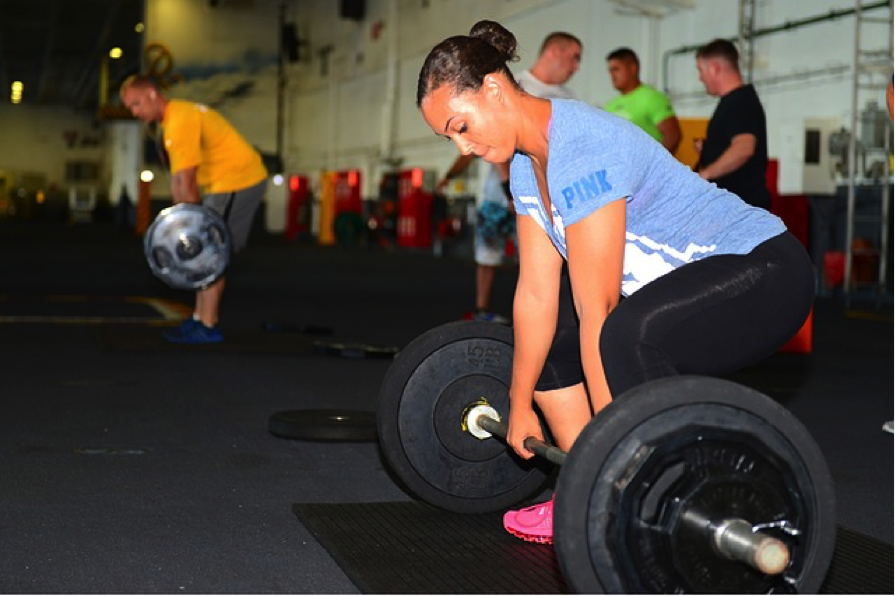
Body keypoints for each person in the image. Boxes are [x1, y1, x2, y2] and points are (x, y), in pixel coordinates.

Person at [417, 21, 815, 544]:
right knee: (554, 347)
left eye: (460, 125)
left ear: (493, 87)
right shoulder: (521, 166)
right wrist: (518, 405)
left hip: (765, 270)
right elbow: (536, 293)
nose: (461, 147)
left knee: (624, 336)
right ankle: (586, 491)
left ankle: (652, 491)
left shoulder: (582, 146)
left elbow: (598, 307)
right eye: (449, 136)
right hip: (690, 287)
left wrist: (614, 450)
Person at [436, 32, 582, 323]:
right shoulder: (515, 87)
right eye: (574, 57)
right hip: (499, 193)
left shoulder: (569, 99)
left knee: (538, 260)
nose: (577, 66)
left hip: (547, 194)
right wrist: (508, 190)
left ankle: (543, 319)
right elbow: (490, 143)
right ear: (553, 51)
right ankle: (481, 310)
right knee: (488, 253)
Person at [121, 75, 268, 344]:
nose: (135, 112)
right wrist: (180, 226)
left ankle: (208, 325)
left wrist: (187, 230)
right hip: (221, 183)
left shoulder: (180, 121)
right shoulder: (174, 121)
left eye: (137, 104)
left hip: (239, 179)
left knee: (210, 251)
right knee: (201, 249)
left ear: (153, 94)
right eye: (131, 108)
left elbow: (187, 181)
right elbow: (178, 181)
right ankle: (199, 319)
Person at [694, 39, 771, 210]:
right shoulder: (734, 102)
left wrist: (706, 174)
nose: (700, 78)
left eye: (700, 70)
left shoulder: (740, 102)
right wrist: (710, 148)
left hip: (741, 209)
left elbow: (744, 148)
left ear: (714, 67)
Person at [604, 47, 681, 154]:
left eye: (616, 69)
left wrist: (652, 165)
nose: (612, 75)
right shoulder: (610, 106)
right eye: (610, 70)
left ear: (633, 68)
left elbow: (673, 136)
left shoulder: (652, 98)